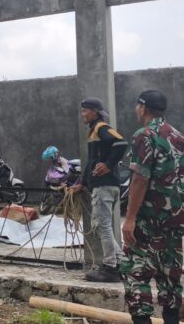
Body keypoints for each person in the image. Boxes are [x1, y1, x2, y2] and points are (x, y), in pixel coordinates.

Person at [121, 90, 184, 324]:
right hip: (175, 218)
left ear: (143, 108)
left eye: (137, 106)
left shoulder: (144, 135)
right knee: (170, 276)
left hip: (148, 220)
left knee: (136, 273)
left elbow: (140, 178)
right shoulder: (178, 136)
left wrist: (130, 218)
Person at [71, 97, 128, 282]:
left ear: (94, 112)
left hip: (104, 186)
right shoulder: (95, 131)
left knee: (103, 227)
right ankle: (119, 262)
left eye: (84, 111)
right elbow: (91, 162)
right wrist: (82, 182)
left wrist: (108, 165)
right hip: (105, 185)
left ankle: (110, 267)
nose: (82, 114)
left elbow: (121, 143)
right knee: (102, 227)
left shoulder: (100, 127)